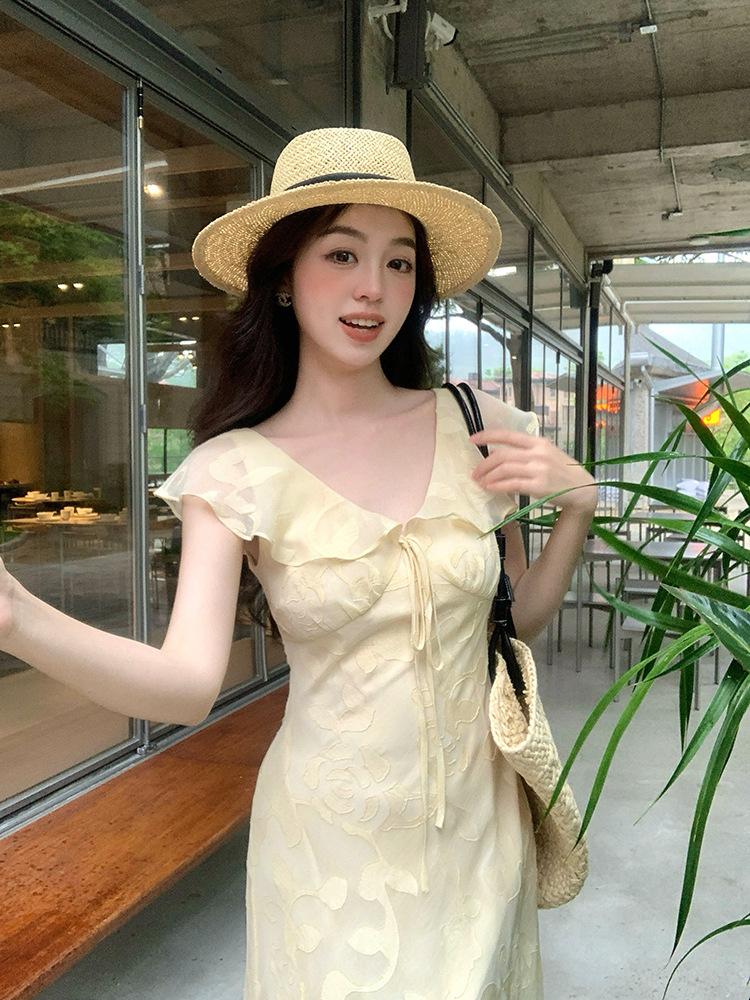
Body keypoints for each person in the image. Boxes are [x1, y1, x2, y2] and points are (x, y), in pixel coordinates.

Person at [0, 127, 597, 998]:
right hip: (329, 856)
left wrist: (577, 509)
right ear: (283, 276)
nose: (372, 287)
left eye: (399, 263)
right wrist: (17, 616)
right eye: (341, 253)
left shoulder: (475, 424)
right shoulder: (233, 471)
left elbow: (514, 622)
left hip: (480, 831)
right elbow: (185, 685)